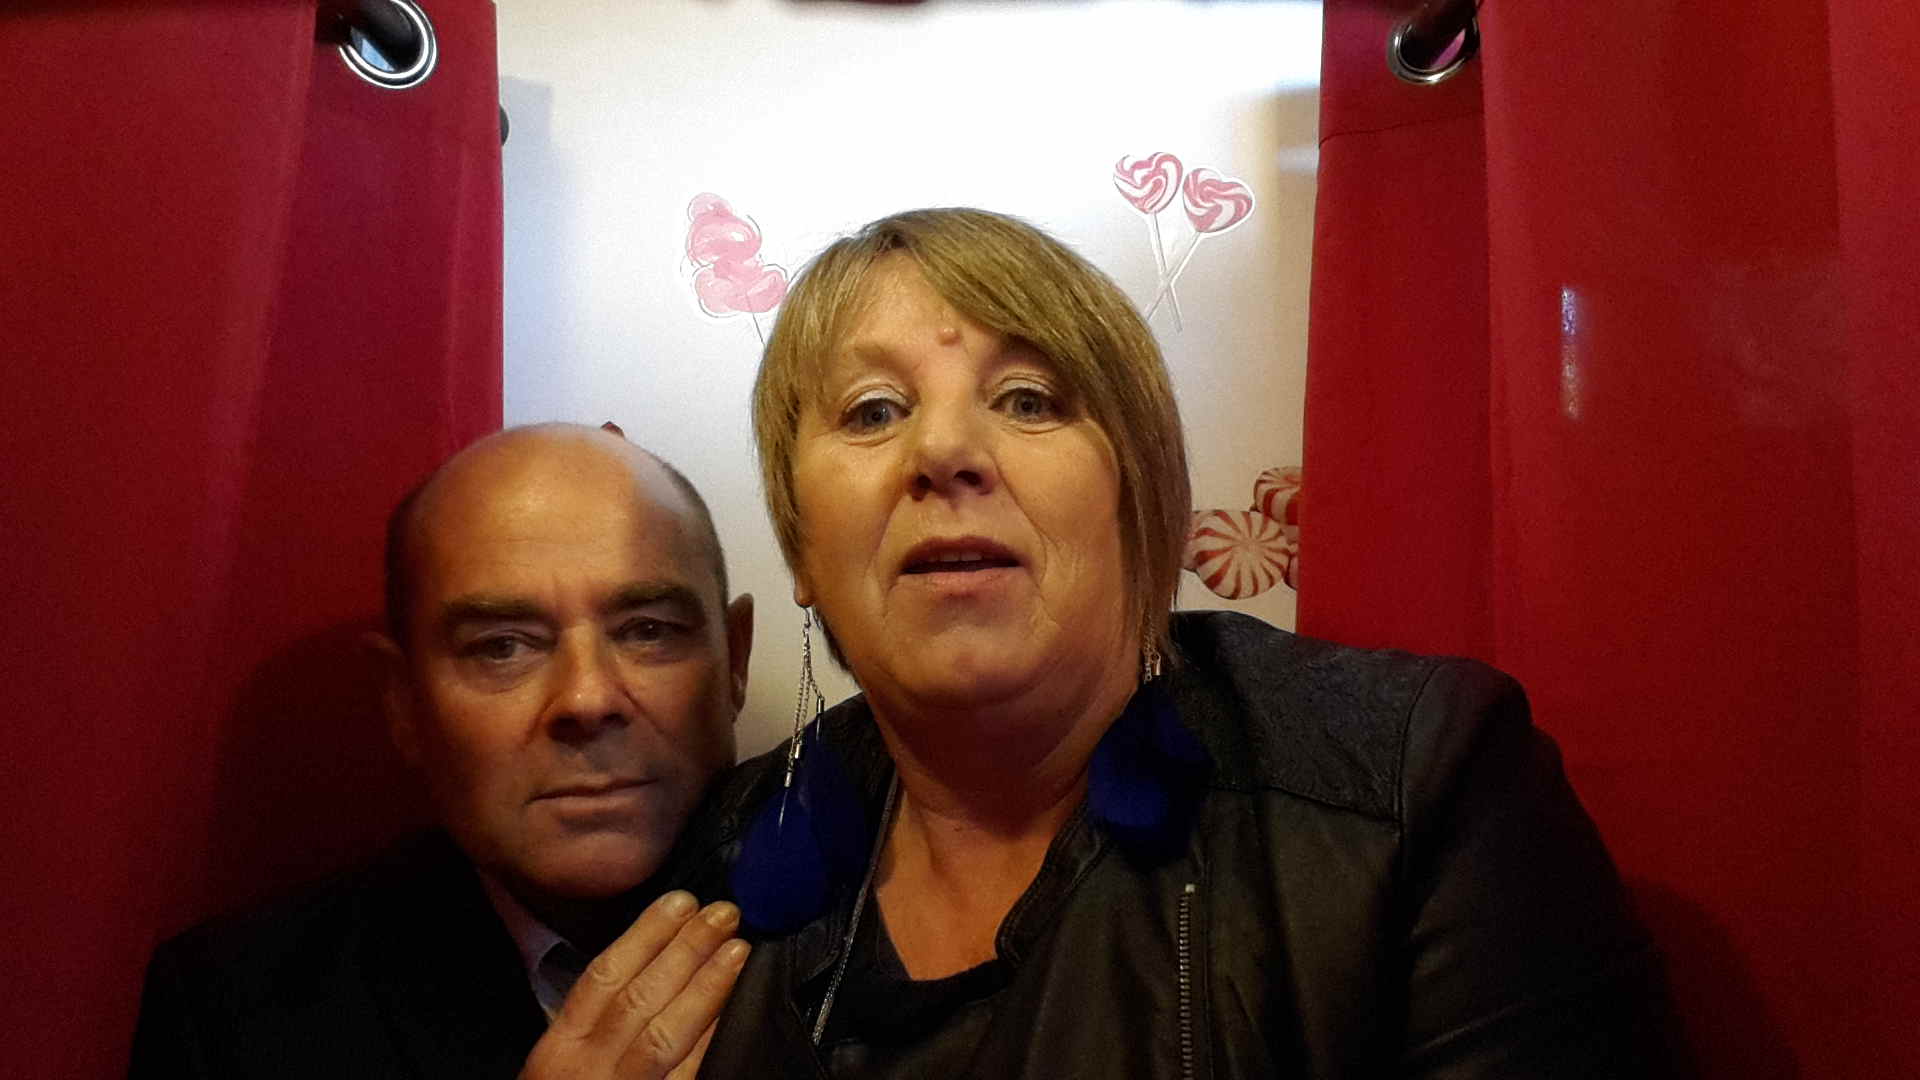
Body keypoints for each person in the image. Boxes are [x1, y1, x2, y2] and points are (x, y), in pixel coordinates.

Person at [678, 209, 1677, 1077]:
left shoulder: (1420, 789)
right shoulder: (720, 849)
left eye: (1028, 399)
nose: (942, 451)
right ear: (801, 545)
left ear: (1140, 497)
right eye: (873, 411)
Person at [131, 423, 754, 1079]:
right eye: (502, 647)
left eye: (649, 631)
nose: (587, 698)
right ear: (404, 703)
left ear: (734, 660)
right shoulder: (231, 1017)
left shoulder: (835, 930)